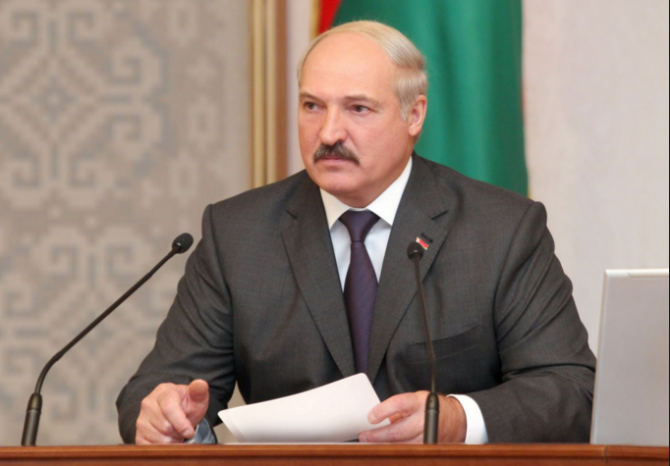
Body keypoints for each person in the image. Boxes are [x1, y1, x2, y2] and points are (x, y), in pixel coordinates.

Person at [117, 21, 596, 445]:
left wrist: (456, 419)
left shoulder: (502, 230)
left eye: (358, 109)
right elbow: (157, 389)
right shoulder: (237, 235)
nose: (328, 133)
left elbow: (571, 389)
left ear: (414, 116)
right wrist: (163, 416)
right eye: (312, 106)